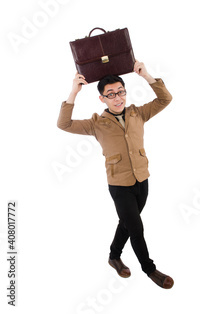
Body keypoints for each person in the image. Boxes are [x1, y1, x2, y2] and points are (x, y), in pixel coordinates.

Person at [57, 62, 175, 289]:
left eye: (120, 91)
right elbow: (64, 124)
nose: (117, 97)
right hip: (119, 185)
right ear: (102, 98)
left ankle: (114, 256)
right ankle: (150, 269)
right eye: (111, 94)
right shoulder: (96, 123)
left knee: (127, 223)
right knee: (136, 227)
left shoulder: (137, 113)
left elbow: (165, 99)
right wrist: (74, 92)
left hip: (142, 179)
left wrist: (147, 76)